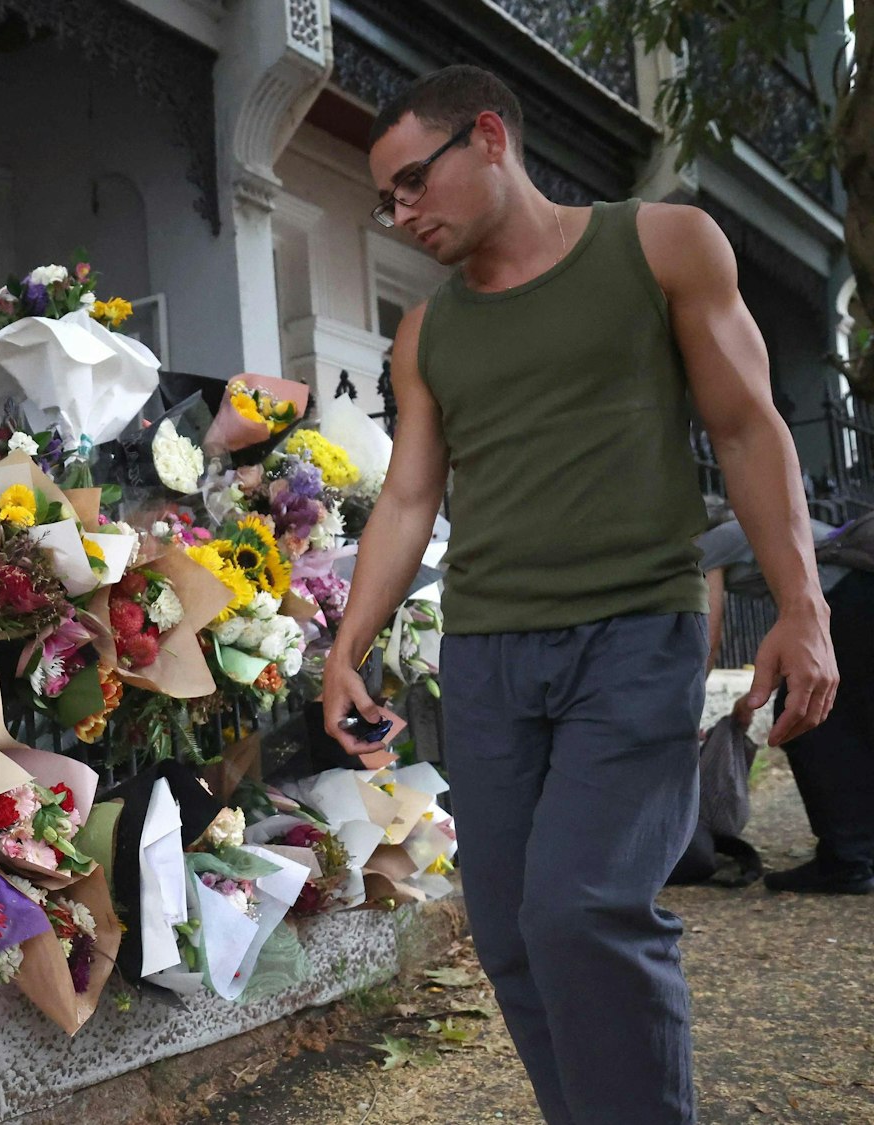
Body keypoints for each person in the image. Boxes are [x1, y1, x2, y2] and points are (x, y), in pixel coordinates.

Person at [319, 65, 838, 1125]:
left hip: (632, 635)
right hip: (486, 657)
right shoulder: (425, 335)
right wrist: (345, 645)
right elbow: (409, 497)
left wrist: (799, 605)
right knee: (512, 934)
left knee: (582, 909)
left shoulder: (658, 244)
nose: (400, 212)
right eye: (386, 200)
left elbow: (746, 429)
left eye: (412, 181)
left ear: (488, 136)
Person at [698, 510, 872, 893]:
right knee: (856, 720)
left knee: (804, 723)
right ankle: (858, 849)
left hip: (846, 600)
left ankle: (846, 861)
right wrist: (757, 694)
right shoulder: (754, 525)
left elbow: (707, 637)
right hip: (858, 597)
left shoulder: (708, 546)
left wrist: (691, 702)